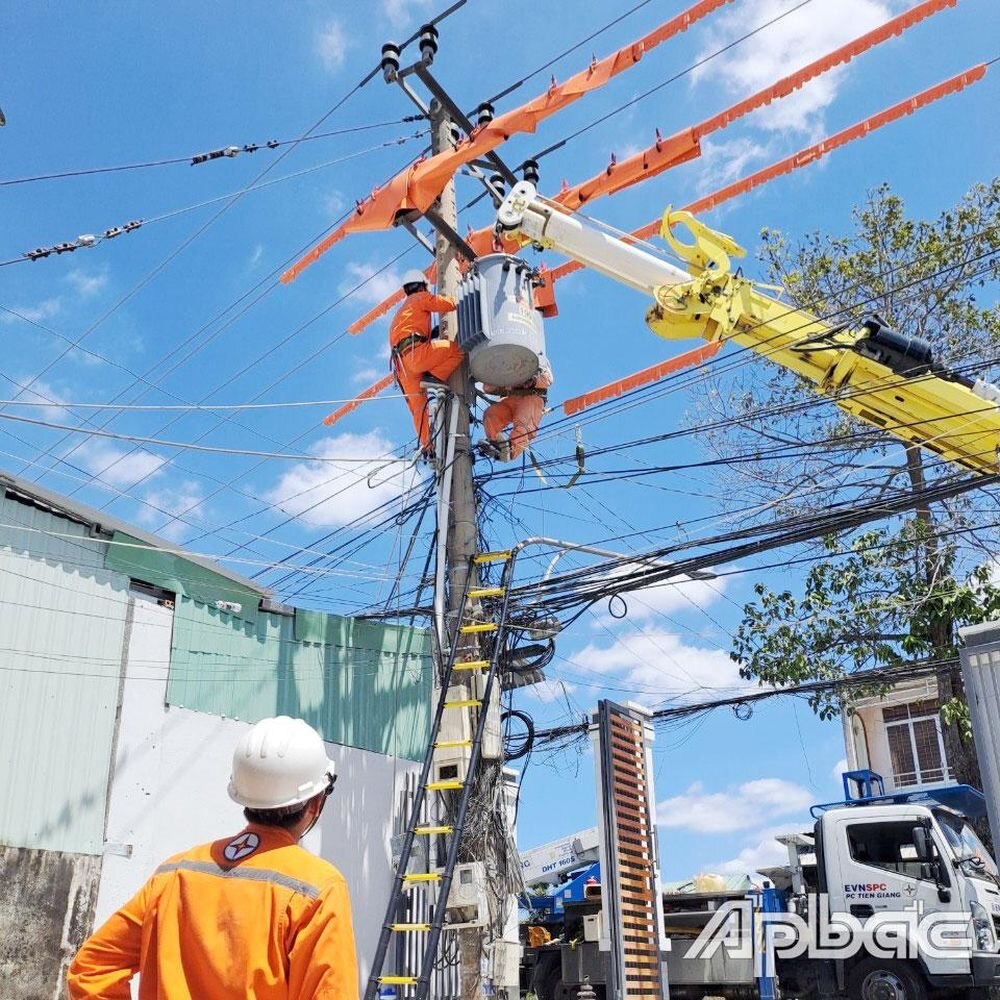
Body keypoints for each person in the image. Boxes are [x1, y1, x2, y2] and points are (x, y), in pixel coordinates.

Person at [67, 716, 358, 1000]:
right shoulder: (317, 888)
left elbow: (93, 969)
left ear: (242, 795)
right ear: (316, 802)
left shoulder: (174, 873)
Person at [390, 268, 464, 457]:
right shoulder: (420, 297)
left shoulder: (400, 314)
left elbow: (408, 333)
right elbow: (445, 304)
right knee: (459, 349)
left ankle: (428, 447)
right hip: (417, 355)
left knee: (419, 409)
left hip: (402, 368)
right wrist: (464, 296)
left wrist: (430, 335)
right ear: (422, 285)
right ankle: (434, 377)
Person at [481, 356, 553, 462]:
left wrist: (533, 379)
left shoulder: (538, 358)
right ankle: (495, 443)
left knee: (524, 423)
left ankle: (511, 450)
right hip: (513, 398)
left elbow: (548, 379)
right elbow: (488, 388)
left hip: (533, 396)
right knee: (492, 413)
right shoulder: (506, 357)